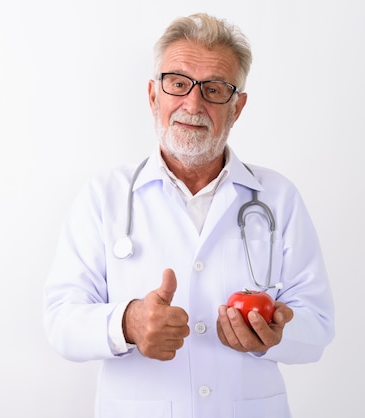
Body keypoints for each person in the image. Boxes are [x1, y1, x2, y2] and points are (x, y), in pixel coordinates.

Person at [43, 13, 334, 418]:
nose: (192, 104)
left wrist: (276, 333)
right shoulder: (103, 197)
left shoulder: (278, 198)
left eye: (214, 89)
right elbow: (60, 320)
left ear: (238, 107)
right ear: (153, 95)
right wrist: (126, 323)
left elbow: (317, 326)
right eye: (178, 84)